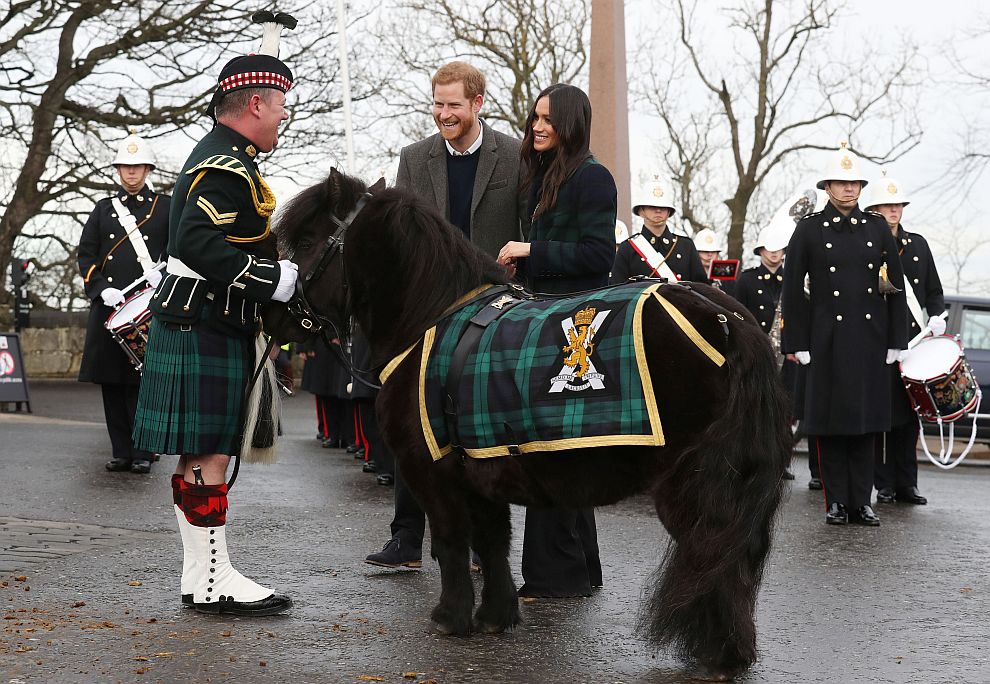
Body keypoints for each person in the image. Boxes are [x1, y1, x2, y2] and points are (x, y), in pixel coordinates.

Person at [131, 13, 298, 616]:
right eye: (280, 103)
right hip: (204, 318)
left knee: (206, 453)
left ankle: (206, 575)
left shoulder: (229, 159)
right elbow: (197, 242)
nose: (284, 115)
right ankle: (209, 581)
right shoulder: (221, 164)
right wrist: (272, 280)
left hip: (205, 319)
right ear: (255, 102)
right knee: (209, 453)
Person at [365, 61, 526, 569]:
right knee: (416, 422)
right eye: (437, 103)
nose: (443, 113)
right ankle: (406, 539)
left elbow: (527, 227)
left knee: (480, 426)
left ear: (477, 105)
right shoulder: (414, 159)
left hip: (491, 307)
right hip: (427, 307)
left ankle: (483, 544)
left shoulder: (515, 158)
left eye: (453, 104)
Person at [496, 83, 614, 597]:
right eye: (534, 118)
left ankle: (555, 574)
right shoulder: (538, 176)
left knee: (552, 449)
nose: (537, 127)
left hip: (574, 328)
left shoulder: (594, 178)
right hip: (540, 319)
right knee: (559, 449)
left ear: (571, 124)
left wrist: (531, 249)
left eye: (548, 120)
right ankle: (577, 570)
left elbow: (597, 257)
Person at [781, 143, 907, 527]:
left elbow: (895, 285)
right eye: (841, 183)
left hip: (869, 337)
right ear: (828, 187)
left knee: (866, 423)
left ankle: (862, 501)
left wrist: (896, 340)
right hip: (827, 338)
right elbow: (791, 289)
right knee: (832, 425)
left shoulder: (876, 229)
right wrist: (797, 343)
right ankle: (837, 501)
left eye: (854, 183)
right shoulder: (809, 230)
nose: (849, 190)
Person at [78, 132, 170, 475]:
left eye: (137, 167)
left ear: (147, 169)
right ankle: (121, 451)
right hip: (110, 307)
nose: (131, 173)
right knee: (113, 383)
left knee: (143, 383)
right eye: (125, 167)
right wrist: (101, 289)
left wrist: (166, 277)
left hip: (147, 306)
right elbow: (85, 255)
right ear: (118, 170)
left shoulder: (166, 206)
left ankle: (144, 452)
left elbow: (178, 249)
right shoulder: (103, 209)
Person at [865, 173, 945, 506]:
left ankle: (907, 484)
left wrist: (937, 315)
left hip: (913, 342)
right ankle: (883, 483)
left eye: (898, 205)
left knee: (910, 417)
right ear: (875, 210)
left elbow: (933, 290)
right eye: (887, 205)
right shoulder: (867, 246)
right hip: (880, 343)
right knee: (884, 417)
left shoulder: (919, 245)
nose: (894, 210)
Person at [735, 224, 795, 479]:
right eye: (769, 248)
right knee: (755, 410)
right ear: (760, 249)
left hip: (788, 354)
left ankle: (780, 463)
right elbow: (738, 316)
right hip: (757, 354)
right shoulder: (747, 279)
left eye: (779, 248)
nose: (773, 253)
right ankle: (754, 462)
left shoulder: (793, 279)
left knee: (784, 412)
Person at [610, 175, 707, 284]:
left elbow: (702, 288)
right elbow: (618, 290)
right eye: (652, 206)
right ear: (641, 211)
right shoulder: (628, 248)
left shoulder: (686, 246)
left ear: (669, 211)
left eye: (663, 207)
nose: (658, 210)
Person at [692, 228, 736, 295]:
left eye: (713, 252)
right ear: (696, 253)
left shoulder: (728, 281)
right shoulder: (690, 276)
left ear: (718, 254)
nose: (709, 254)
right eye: (705, 251)